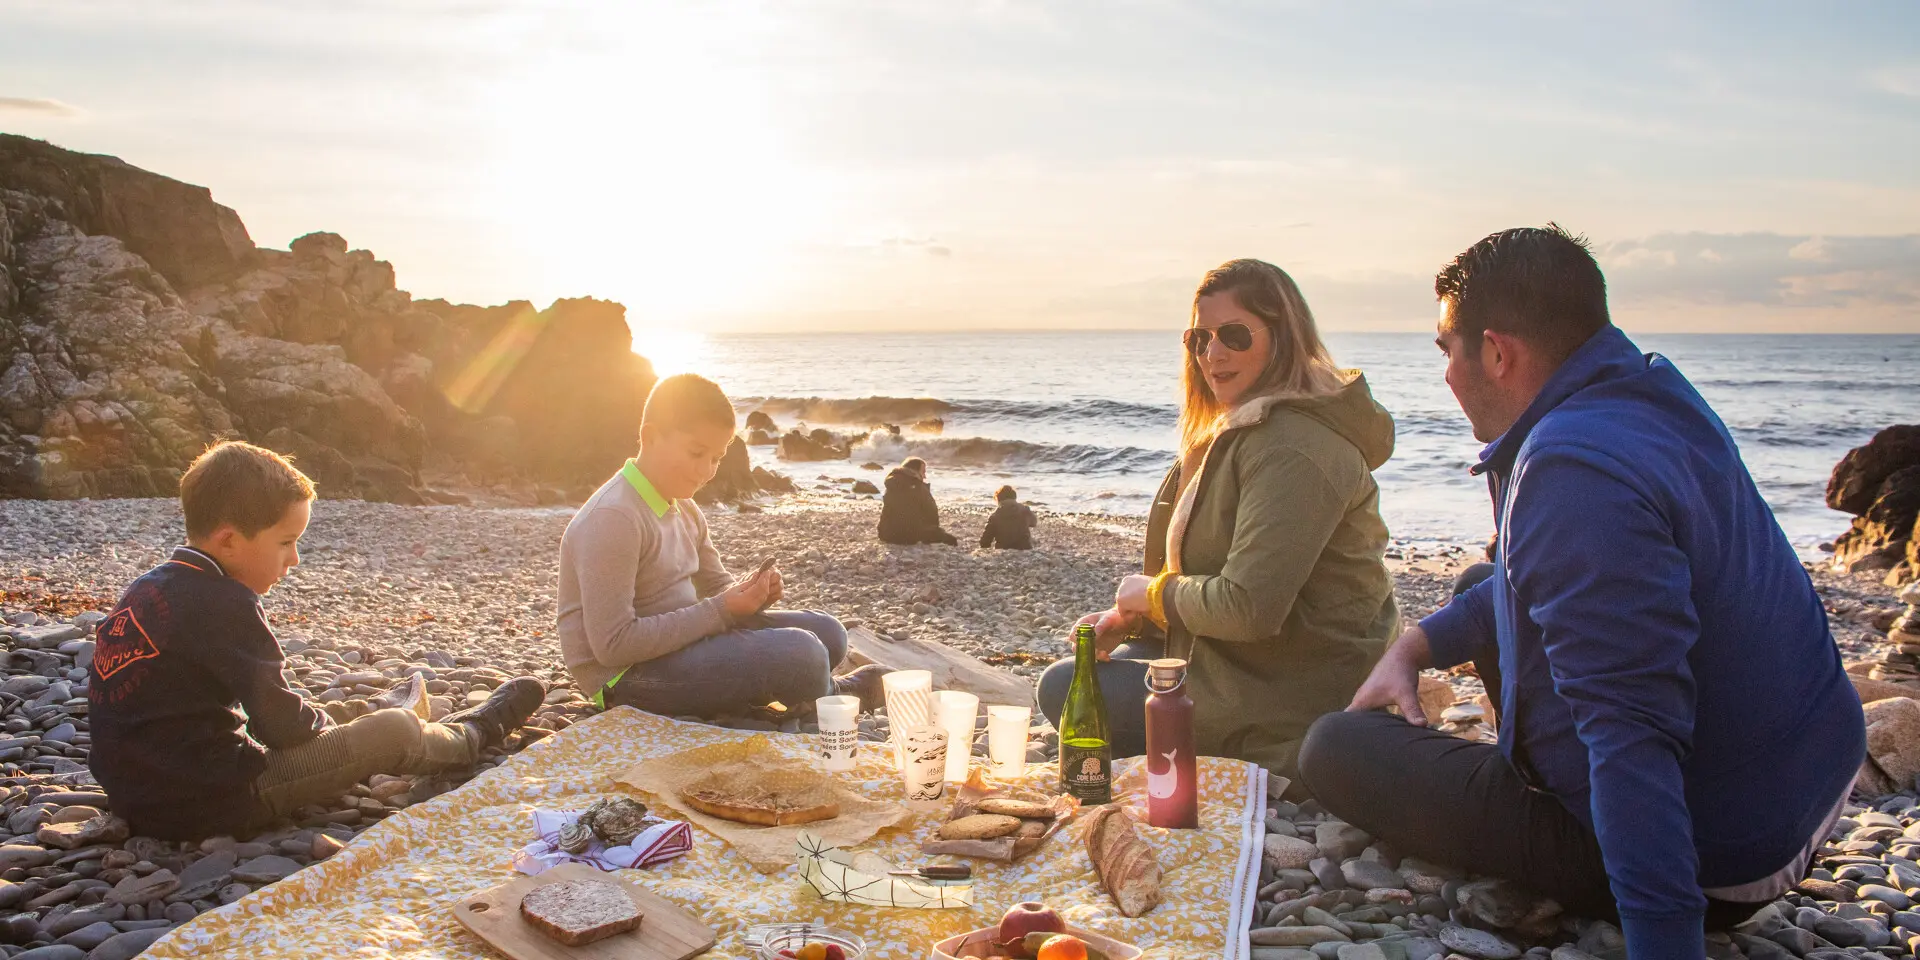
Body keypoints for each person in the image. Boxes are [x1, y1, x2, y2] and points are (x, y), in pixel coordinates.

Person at [1297, 226, 1866, 960]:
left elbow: (1632, 736)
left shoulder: (1572, 475)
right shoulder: (1645, 393)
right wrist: (1417, 645)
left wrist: (1666, 938)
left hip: (1722, 859)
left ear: (1496, 352)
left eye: (1446, 351)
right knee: (1480, 586)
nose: (1445, 376)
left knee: (1334, 746)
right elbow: (1545, 583)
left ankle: (1563, 816)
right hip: (1804, 786)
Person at [1037, 258, 1398, 777]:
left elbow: (1249, 607)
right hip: (1249, 665)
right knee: (1093, 667)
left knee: (1064, 686)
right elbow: (1215, 578)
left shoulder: (1294, 447)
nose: (1213, 354)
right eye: (1199, 339)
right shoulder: (1243, 429)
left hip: (1293, 696)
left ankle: (1262, 761)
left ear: (1284, 336)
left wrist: (1149, 595)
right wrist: (1135, 617)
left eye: (1234, 335)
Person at [89, 441, 546, 841]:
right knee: (393, 732)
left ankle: (371, 710)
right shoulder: (226, 601)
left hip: (134, 795)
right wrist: (333, 738)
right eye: (286, 542)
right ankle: (472, 733)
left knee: (316, 715)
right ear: (229, 541)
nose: (294, 559)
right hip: (214, 799)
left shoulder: (148, 588)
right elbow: (280, 728)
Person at [558, 373, 889, 720]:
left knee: (829, 632)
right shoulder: (614, 517)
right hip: (626, 678)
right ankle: (832, 697)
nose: (706, 471)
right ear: (650, 437)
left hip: (681, 645)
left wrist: (753, 595)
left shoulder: (684, 506)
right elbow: (613, 645)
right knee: (803, 653)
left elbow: (716, 587)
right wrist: (721, 610)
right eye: (696, 453)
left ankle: (799, 691)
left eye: (716, 458)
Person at [877, 457, 959, 546]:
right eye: (923, 472)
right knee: (950, 539)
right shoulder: (918, 486)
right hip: (909, 537)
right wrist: (936, 531)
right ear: (914, 471)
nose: (925, 476)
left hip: (886, 535)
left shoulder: (891, 484)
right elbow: (932, 513)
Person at [979, 485, 1037, 550]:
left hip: (1003, 549)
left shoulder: (995, 516)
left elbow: (985, 541)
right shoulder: (1025, 510)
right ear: (1014, 497)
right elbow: (1034, 523)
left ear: (998, 500)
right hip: (1024, 548)